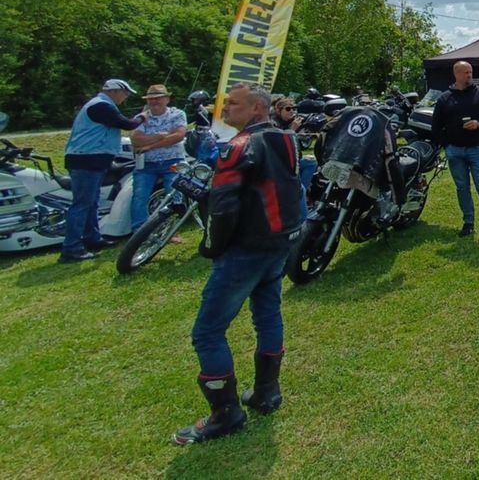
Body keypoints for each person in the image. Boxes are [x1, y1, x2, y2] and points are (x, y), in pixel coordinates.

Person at [173, 83, 303, 445]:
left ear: (258, 111)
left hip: (247, 248)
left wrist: (211, 247)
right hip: (281, 242)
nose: (225, 109)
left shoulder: (236, 147)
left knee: (207, 331)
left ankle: (225, 413)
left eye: (233, 104)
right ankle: (267, 391)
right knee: (268, 314)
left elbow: (224, 208)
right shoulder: (288, 139)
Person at [59, 79, 145, 263]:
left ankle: (93, 239)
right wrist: (143, 117)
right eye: (126, 93)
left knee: (91, 202)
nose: (126, 97)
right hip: (86, 159)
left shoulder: (100, 104)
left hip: (90, 159)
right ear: (116, 91)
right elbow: (127, 124)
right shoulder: (101, 106)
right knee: (82, 204)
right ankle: (71, 248)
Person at [431, 60, 479, 238]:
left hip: (476, 148)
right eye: (466, 73)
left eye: (470, 72)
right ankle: (468, 223)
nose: (469, 75)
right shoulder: (445, 98)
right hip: (455, 151)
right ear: (456, 74)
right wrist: (446, 145)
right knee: (462, 188)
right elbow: (436, 126)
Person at [129, 85, 187, 233]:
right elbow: (136, 139)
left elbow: (178, 136)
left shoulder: (177, 114)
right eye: (151, 99)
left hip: (173, 161)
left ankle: (171, 231)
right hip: (146, 165)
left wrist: (150, 145)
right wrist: (162, 136)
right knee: (139, 196)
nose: (154, 101)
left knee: (174, 194)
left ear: (167, 99)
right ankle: (139, 233)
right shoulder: (141, 117)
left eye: (158, 98)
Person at [272, 96, 318, 206]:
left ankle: (301, 191)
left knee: (312, 162)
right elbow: (276, 143)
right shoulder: (274, 124)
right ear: (279, 111)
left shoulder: (292, 122)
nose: (292, 111)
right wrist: (292, 129)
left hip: (294, 160)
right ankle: (298, 194)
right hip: (280, 164)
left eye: (294, 108)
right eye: (288, 109)